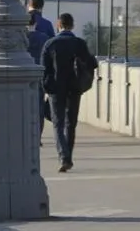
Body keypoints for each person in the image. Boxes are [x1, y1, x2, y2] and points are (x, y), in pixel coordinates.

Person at [40, 11, 98, 172]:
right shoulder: (79, 43)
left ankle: (63, 156)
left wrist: (46, 86)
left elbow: (43, 69)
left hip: (55, 89)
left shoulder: (50, 44)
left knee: (57, 124)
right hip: (75, 88)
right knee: (70, 124)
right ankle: (68, 156)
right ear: (72, 26)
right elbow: (92, 63)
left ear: (58, 25)